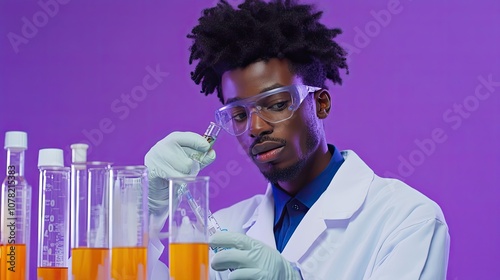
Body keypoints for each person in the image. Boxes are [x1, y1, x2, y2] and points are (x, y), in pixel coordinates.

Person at [145, 0, 450, 279]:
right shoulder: (226, 228)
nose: (256, 127)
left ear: (321, 104)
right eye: (239, 114)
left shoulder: (407, 219)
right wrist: (148, 212)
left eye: (277, 104)